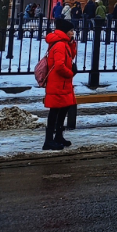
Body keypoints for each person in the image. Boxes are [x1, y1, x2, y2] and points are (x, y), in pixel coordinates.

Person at [43, 18, 77, 151]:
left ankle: (58, 136)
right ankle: (49, 140)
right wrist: (70, 73)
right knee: (55, 111)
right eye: (71, 31)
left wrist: (72, 43)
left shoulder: (64, 43)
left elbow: (71, 56)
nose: (72, 33)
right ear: (65, 31)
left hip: (62, 83)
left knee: (63, 109)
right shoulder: (60, 45)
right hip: (59, 83)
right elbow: (59, 66)